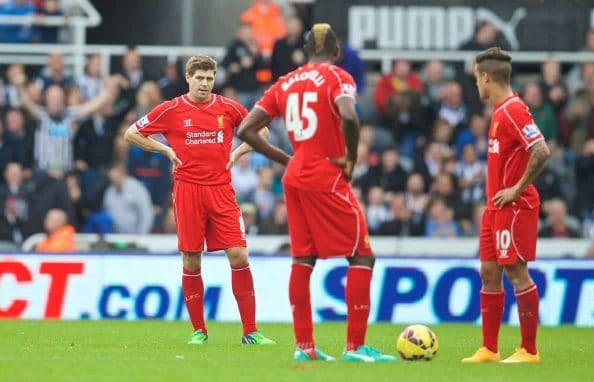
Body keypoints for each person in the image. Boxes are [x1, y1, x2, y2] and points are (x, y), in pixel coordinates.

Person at [237, 23, 396, 363]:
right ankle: (354, 348)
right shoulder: (338, 77)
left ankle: (304, 347)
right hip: (326, 173)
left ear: (305, 51)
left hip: (295, 177)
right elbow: (350, 116)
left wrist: (285, 159)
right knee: (362, 255)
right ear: (337, 52)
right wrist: (351, 159)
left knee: (303, 258)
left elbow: (246, 129)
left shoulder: (285, 82)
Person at [123, 54, 274, 346]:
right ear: (188, 78)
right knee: (192, 259)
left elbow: (262, 129)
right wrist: (165, 150)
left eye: (209, 78)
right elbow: (132, 133)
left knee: (239, 254)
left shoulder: (228, 107)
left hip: (221, 190)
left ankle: (251, 331)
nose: (205, 83)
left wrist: (236, 153)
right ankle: (199, 331)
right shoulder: (171, 109)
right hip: (187, 190)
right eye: (200, 78)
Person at [461, 47, 550, 364]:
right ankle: (489, 348)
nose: (476, 85)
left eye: (476, 79)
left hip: (514, 206)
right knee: (488, 272)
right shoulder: (500, 112)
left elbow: (541, 150)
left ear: (486, 77)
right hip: (494, 207)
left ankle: (529, 350)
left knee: (516, 271)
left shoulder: (513, 110)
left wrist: (516, 188)